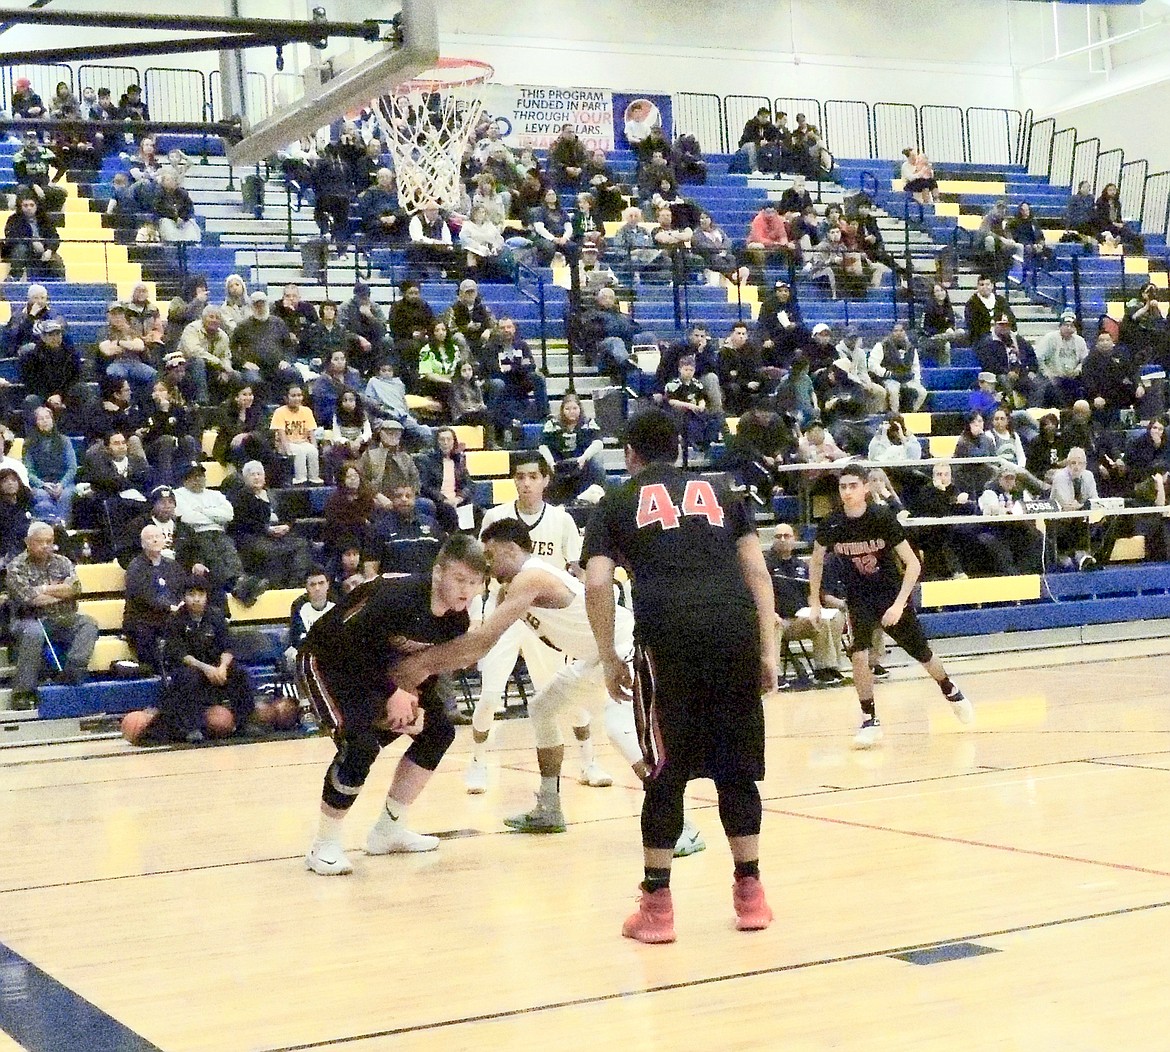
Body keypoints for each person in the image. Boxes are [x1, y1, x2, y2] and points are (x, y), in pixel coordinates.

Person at [394, 517, 705, 856]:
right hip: (597, 655)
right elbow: (479, 637)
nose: (486, 563)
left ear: (512, 549)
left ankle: (680, 824)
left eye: (490, 553)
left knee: (618, 729)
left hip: (627, 647)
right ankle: (549, 807)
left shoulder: (532, 577)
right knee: (543, 708)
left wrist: (422, 663)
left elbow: (482, 641)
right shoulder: (512, 587)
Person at [581, 410, 777, 943]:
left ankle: (658, 910)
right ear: (680, 449)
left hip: (668, 641)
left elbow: (597, 583)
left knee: (665, 774)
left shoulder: (614, 503)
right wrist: (769, 648)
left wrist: (607, 653)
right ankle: (751, 897)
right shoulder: (724, 491)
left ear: (630, 455)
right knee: (736, 771)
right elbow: (757, 572)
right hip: (733, 629)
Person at [297, 535, 488, 876]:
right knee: (360, 745)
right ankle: (323, 844)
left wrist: (413, 697)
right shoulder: (396, 597)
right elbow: (345, 643)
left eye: (474, 583)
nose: (466, 590)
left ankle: (389, 829)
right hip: (325, 661)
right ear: (438, 572)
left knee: (438, 731)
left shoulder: (456, 621)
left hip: (381, 673)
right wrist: (392, 691)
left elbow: (426, 664)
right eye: (460, 580)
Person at [465, 452, 615, 794]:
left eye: (533, 476)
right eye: (520, 476)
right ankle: (477, 763)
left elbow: (578, 570)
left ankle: (589, 761)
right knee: (488, 696)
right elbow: (479, 573)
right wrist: (476, 618)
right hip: (504, 613)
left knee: (565, 695)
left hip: (545, 620)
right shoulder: (495, 516)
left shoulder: (561, 520)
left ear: (546, 480)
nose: (526, 483)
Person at [808, 465, 973, 749]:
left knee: (923, 655)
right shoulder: (832, 523)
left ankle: (949, 687)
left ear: (865, 488)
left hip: (890, 596)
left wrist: (899, 604)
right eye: (843, 487)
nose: (847, 492)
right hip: (858, 599)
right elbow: (816, 561)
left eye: (852, 486)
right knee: (858, 654)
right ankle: (869, 719)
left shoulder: (881, 518)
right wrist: (813, 601)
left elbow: (913, 564)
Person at [6, 522, 99, 709]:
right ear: (28, 542)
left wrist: (43, 589)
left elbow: (75, 588)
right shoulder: (16, 566)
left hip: (63, 619)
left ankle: (73, 670)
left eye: (49, 541)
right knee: (34, 633)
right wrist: (60, 592)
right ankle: (23, 692)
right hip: (28, 620)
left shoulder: (63, 562)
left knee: (88, 623)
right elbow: (30, 600)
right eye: (40, 542)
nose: (45, 546)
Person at [766, 523, 845, 684]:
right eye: (778, 536)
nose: (782, 540)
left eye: (786, 536)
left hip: (799, 619)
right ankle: (774, 676)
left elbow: (810, 595)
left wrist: (815, 610)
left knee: (824, 618)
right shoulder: (765, 564)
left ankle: (826, 669)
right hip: (778, 619)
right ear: (773, 540)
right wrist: (770, 613)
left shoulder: (801, 565)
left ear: (794, 540)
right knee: (772, 623)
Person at [229, 461, 313, 589]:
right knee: (272, 551)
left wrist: (287, 526)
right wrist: (266, 529)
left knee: (302, 544)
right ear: (245, 478)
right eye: (252, 474)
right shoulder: (241, 497)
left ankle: (296, 585)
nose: (256, 477)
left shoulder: (273, 494)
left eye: (259, 474)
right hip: (255, 536)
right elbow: (242, 522)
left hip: (281, 533)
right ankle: (276, 587)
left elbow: (289, 514)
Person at [123, 522, 186, 671]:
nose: (155, 540)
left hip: (172, 616)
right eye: (150, 538)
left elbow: (183, 587)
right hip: (144, 618)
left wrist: (182, 603)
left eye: (158, 536)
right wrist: (168, 607)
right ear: (143, 544)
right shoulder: (135, 567)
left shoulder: (173, 565)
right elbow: (142, 596)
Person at [540, 392, 606, 502]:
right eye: (567, 409)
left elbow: (598, 443)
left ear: (580, 409)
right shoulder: (552, 424)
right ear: (562, 410)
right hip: (558, 462)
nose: (571, 412)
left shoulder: (588, 423)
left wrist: (585, 457)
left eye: (575, 408)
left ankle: (599, 498)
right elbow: (542, 446)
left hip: (582, 461)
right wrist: (551, 463)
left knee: (597, 463)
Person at [269, 384, 323, 485]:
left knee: (312, 451)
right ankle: (300, 479)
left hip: (302, 442)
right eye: (293, 396)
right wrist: (287, 451)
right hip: (286, 444)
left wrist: (314, 447)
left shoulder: (307, 411)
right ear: (286, 398)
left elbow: (311, 432)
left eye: (299, 395)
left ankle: (314, 478)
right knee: (299, 451)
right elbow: (281, 434)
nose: (297, 398)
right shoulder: (279, 412)